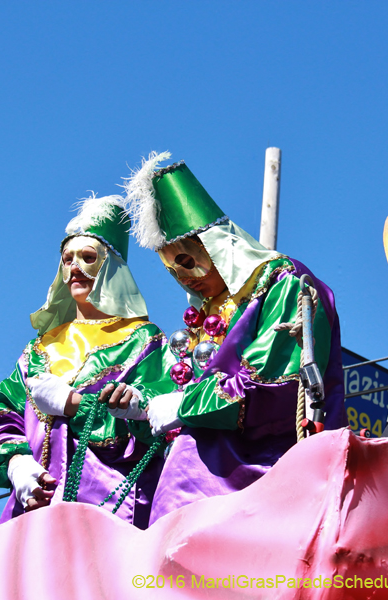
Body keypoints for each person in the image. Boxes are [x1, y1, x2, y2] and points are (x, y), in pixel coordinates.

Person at [117, 152, 346, 524]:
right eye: (170, 268)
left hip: (261, 481)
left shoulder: (280, 281)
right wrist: (141, 406)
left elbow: (275, 382)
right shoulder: (203, 316)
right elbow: (181, 387)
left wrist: (183, 406)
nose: (182, 276)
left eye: (188, 260)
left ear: (216, 244)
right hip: (189, 483)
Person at [0, 194, 174, 527]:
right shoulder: (39, 349)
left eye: (88, 256)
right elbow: (1, 415)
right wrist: (18, 464)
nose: (75, 267)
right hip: (33, 516)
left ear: (111, 265)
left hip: (111, 512)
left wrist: (76, 406)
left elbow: (164, 422)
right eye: (67, 258)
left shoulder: (143, 341)